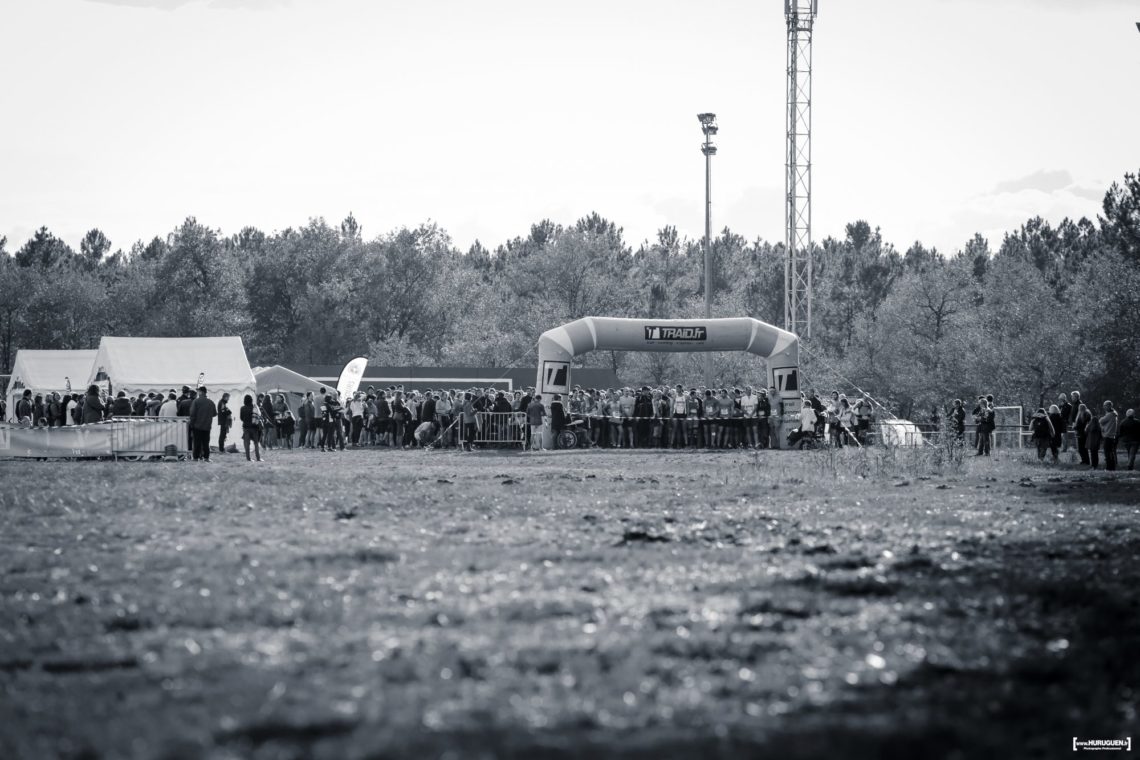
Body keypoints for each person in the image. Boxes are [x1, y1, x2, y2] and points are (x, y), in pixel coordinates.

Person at [188, 386, 217, 461]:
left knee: (197, 442)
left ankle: (195, 458)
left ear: (201, 392)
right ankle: (206, 457)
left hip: (197, 425)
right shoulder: (211, 402)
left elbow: (192, 414)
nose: (197, 393)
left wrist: (191, 424)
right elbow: (214, 413)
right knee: (206, 443)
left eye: (198, 391)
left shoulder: (196, 401)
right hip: (207, 426)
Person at [239, 394, 263, 462]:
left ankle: (248, 458)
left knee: (247, 443)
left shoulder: (242, 408)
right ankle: (258, 458)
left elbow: (241, 418)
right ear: (251, 400)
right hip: (254, 427)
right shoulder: (254, 407)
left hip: (246, 427)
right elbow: (259, 415)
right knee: (256, 443)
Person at [1100, 401, 1119, 471]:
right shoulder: (1113, 414)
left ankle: (1109, 468)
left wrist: (1102, 420)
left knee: (1107, 453)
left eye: (1105, 405)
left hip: (1108, 435)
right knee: (1110, 452)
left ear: (1109, 406)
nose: (1104, 407)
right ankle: (1112, 467)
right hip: (1111, 435)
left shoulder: (1110, 414)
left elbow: (1101, 421)